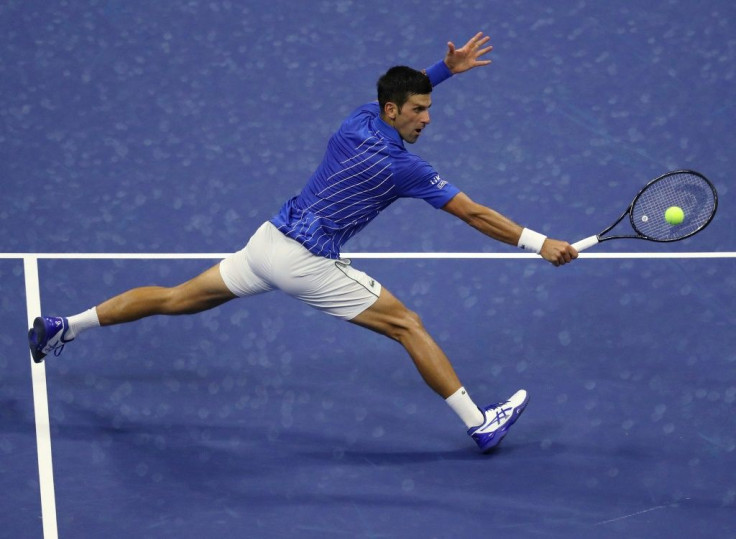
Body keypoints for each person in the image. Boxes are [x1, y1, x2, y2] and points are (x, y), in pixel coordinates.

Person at [28, 32, 578, 453]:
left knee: (175, 298)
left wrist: (443, 72)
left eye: (429, 108)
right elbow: (475, 214)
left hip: (265, 244)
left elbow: (405, 101)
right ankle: (480, 425)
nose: (426, 119)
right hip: (306, 263)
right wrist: (539, 242)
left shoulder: (357, 119)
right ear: (392, 111)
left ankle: (64, 326)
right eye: (417, 110)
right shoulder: (404, 168)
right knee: (407, 324)